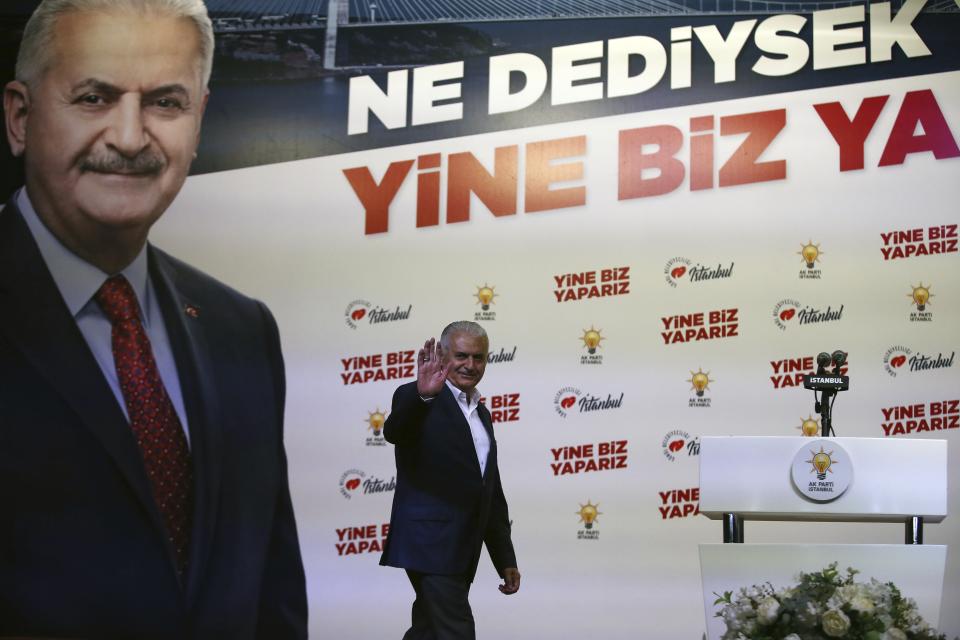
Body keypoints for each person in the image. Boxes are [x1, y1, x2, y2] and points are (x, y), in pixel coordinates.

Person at [0, 1, 307, 637]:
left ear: (199, 123)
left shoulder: (242, 330)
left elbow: (271, 598)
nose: (131, 137)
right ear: (20, 117)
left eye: (166, 103)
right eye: (93, 97)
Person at [380, 321, 521, 640]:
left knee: (429, 631)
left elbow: (490, 492)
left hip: (462, 548)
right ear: (442, 355)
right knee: (456, 631)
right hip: (429, 544)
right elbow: (395, 432)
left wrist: (505, 559)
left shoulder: (481, 414)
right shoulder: (415, 396)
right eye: (461, 355)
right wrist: (423, 396)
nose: (470, 365)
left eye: (479, 357)